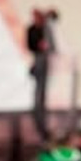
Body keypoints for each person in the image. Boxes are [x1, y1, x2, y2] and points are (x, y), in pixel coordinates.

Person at [25, 8, 58, 144]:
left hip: (46, 63)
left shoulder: (46, 29)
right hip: (39, 62)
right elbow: (30, 45)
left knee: (43, 93)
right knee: (39, 93)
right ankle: (38, 116)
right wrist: (39, 47)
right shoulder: (32, 30)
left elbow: (53, 47)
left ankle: (42, 119)